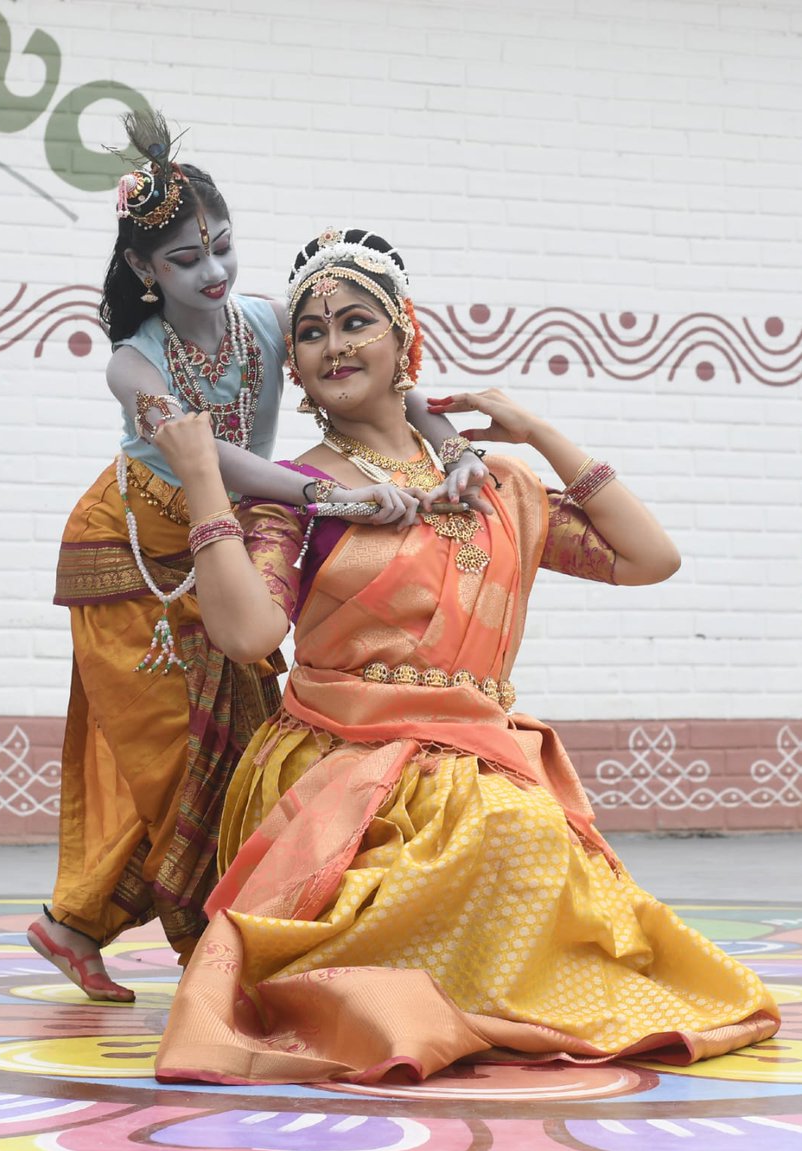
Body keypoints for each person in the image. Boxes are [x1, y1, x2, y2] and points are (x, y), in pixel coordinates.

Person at [150, 228, 779, 1084]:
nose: (334, 344)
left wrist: (534, 429)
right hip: (345, 762)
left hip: (476, 753)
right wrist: (204, 484)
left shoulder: (491, 484)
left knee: (522, 838)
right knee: (504, 835)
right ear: (293, 366)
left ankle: (483, 1002)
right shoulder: (305, 490)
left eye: (356, 321)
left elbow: (648, 558)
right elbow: (252, 635)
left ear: (405, 332)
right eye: (311, 331)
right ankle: (412, 1003)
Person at [26, 116, 482, 1003]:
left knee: (231, 745)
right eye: (187, 261)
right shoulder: (132, 364)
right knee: (171, 755)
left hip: (225, 545)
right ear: (144, 272)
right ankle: (192, 937)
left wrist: (451, 444)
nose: (214, 272)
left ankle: (78, 925)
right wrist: (323, 494)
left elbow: (397, 386)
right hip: (132, 558)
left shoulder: (272, 323)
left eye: (223, 248)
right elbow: (209, 457)